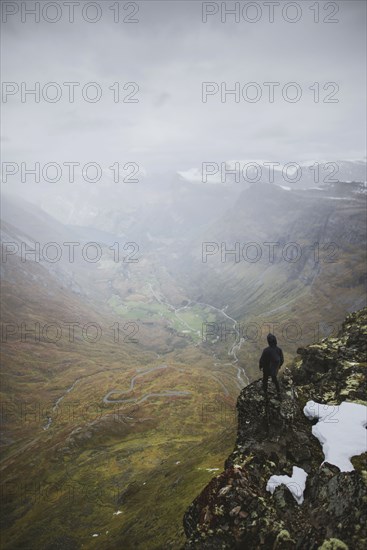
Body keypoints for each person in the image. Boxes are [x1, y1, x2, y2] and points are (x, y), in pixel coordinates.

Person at [259, 333, 284, 399]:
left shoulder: (266, 350)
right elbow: (282, 360)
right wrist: (279, 366)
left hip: (266, 369)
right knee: (275, 380)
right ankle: (278, 392)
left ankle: (265, 393)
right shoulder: (279, 350)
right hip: (274, 370)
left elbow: (262, 360)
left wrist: (260, 366)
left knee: (265, 380)